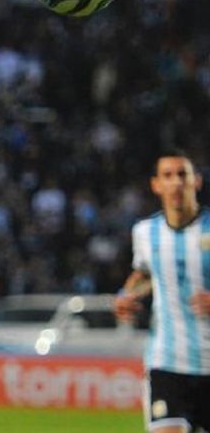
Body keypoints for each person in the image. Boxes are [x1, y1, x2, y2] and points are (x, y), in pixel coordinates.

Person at [114, 149, 210, 433]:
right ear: (156, 185)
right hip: (166, 362)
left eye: (183, 174)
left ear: (196, 181)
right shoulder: (145, 232)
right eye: (168, 175)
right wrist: (125, 295)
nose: (176, 182)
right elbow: (145, 274)